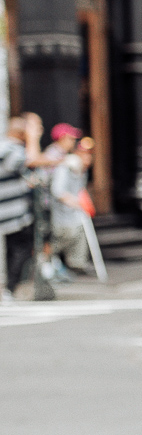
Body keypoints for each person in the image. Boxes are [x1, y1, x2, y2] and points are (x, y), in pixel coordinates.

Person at [0, 113, 42, 297]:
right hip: (13, 212)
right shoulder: (10, 149)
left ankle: (10, 287)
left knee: (14, 249)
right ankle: (10, 288)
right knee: (20, 248)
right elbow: (32, 159)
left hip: (10, 210)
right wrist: (33, 138)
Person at [46, 124, 93, 278]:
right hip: (50, 206)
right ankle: (45, 265)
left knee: (72, 231)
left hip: (58, 207)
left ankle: (69, 265)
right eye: (71, 138)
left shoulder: (65, 156)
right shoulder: (54, 154)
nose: (73, 141)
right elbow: (56, 188)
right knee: (60, 236)